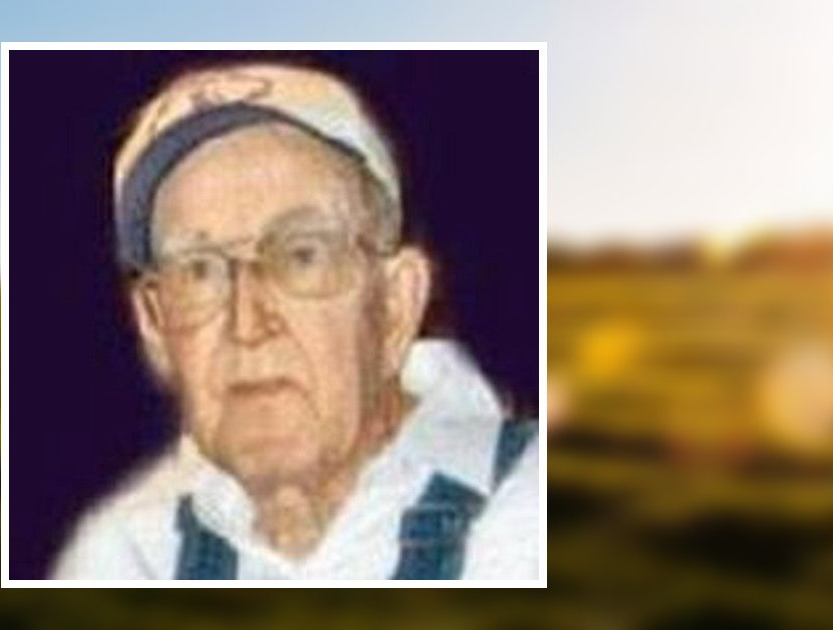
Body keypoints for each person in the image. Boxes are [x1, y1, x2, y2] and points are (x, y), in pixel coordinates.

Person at [51, 62, 539, 580]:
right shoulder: (127, 554)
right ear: (155, 327)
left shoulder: (529, 515)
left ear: (395, 306)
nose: (247, 324)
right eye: (199, 270)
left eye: (302, 255)